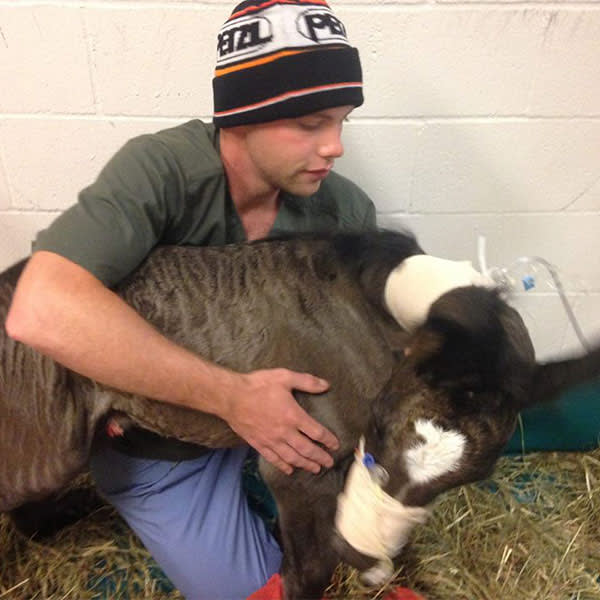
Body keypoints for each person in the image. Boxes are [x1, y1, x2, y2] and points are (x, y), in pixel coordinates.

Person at [6, 2, 421, 599]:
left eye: (342, 122)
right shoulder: (162, 172)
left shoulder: (343, 212)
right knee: (262, 591)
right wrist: (231, 398)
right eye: (309, 123)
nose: (335, 147)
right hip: (166, 450)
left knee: (341, 551)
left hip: (282, 432)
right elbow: (38, 307)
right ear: (243, 117)